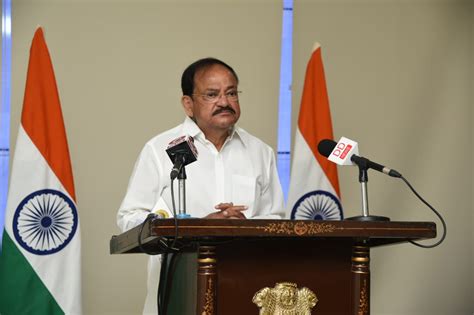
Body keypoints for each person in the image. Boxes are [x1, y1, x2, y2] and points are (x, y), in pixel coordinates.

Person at [117, 57, 285, 314]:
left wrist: (243, 227)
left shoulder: (260, 152)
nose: (224, 102)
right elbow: (129, 219)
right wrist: (199, 226)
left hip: (246, 292)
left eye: (231, 93)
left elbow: (275, 221)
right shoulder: (160, 149)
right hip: (179, 293)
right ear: (188, 104)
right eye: (212, 94)